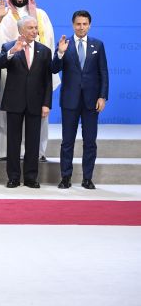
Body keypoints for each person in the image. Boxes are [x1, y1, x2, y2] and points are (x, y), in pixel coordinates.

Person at [0, 0, 59, 160]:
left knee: (37, 116)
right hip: (10, 75)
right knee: (8, 118)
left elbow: (48, 41)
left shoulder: (40, 15)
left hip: (36, 74)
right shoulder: (3, 13)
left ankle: (36, 153)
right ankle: (4, 152)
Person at [51, 10, 109, 190]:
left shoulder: (97, 45)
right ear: (72, 24)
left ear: (89, 25)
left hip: (91, 102)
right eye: (78, 24)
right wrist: (59, 53)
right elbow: (54, 69)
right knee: (67, 141)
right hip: (70, 101)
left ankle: (87, 178)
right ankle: (65, 178)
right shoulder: (64, 44)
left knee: (90, 142)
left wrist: (102, 96)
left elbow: (103, 73)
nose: (81, 27)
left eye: (84, 24)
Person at [0, 16, 52, 189]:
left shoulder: (44, 51)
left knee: (33, 141)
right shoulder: (9, 47)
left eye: (36, 28)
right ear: (21, 30)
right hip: (14, 102)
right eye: (30, 28)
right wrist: (13, 51)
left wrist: (46, 103)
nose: (34, 31)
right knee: (13, 141)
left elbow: (47, 80)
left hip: (36, 102)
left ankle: (30, 177)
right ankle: (13, 177)